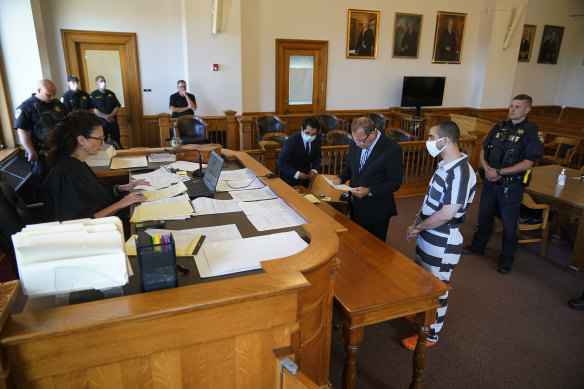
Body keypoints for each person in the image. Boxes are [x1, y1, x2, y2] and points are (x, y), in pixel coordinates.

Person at [403, 120, 476, 350]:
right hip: (428, 234)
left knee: (437, 289)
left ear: (445, 141)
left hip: (443, 239)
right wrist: (417, 222)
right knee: (424, 279)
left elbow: (446, 214)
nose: (429, 142)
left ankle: (430, 336)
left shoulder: (461, 172)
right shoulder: (444, 164)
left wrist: (418, 227)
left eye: (432, 137)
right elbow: (430, 203)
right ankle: (423, 316)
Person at [462, 94, 544, 274]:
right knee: (484, 216)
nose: (512, 109)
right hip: (490, 182)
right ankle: (478, 245)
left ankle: (507, 258)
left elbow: (528, 163)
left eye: (517, 107)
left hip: (511, 186)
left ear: (527, 110)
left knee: (509, 223)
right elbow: (483, 150)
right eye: (511, 106)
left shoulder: (532, 132)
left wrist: (498, 172)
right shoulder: (500, 126)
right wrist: (487, 169)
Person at [43, 111, 147, 232]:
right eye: (99, 138)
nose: (103, 143)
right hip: (95, 236)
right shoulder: (65, 173)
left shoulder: (78, 162)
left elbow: (92, 197)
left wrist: (119, 188)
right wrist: (123, 203)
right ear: (81, 140)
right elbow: (80, 222)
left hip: (108, 225)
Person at [332, 117, 403, 241]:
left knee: (375, 249)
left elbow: (394, 183)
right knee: (356, 243)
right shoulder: (356, 142)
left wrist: (369, 191)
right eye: (355, 140)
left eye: (361, 141)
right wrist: (340, 178)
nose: (357, 145)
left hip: (377, 210)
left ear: (373, 134)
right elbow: (350, 167)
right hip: (356, 206)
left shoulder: (392, 149)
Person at [14, 79, 68, 188]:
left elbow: (67, 122)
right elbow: (21, 130)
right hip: (40, 153)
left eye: (54, 94)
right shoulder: (26, 107)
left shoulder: (57, 104)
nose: (52, 97)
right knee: (44, 183)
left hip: (59, 150)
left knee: (62, 181)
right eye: (49, 95)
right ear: (39, 90)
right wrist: (31, 151)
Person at [276, 116, 321, 188]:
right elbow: (280, 163)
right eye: (307, 133)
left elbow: (318, 156)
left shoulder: (317, 138)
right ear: (302, 129)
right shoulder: (291, 141)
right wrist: (296, 174)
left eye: (313, 134)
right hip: (290, 181)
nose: (310, 136)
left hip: (305, 181)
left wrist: (314, 169)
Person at [90, 75, 121, 143]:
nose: (103, 82)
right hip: (101, 123)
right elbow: (93, 109)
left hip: (113, 121)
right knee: (102, 142)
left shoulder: (111, 93)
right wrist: (106, 117)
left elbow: (117, 106)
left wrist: (111, 116)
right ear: (97, 83)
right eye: (101, 81)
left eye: (104, 81)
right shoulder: (93, 95)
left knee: (116, 140)